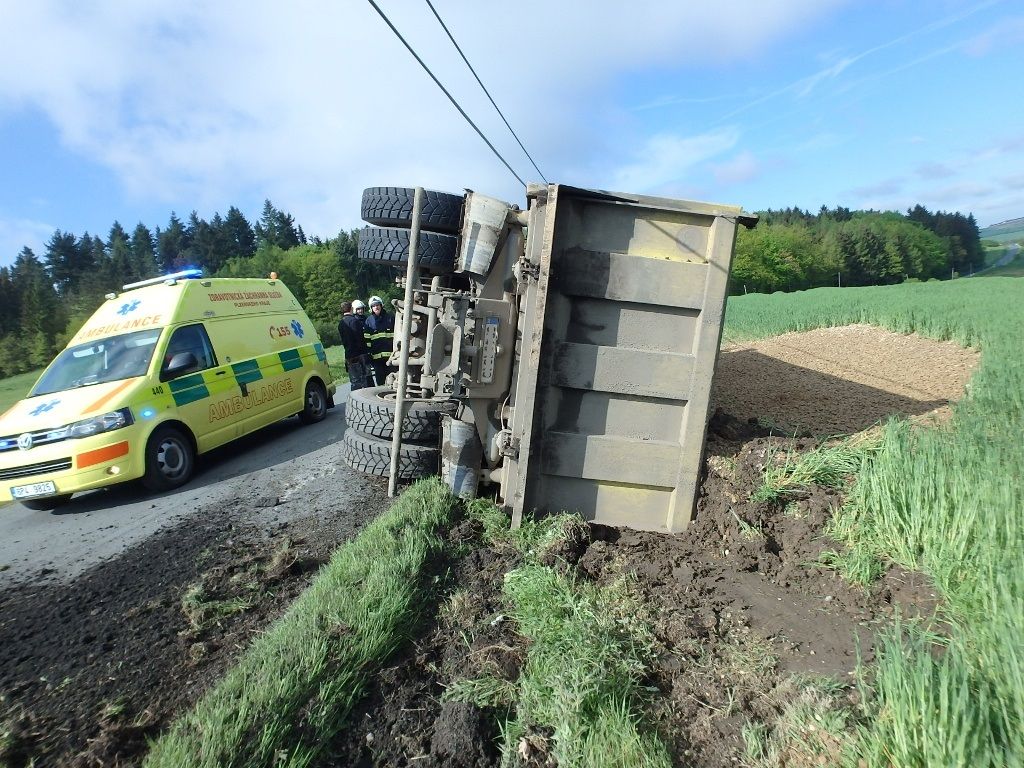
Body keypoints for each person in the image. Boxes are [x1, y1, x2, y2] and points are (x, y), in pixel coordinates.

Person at [337, 300, 373, 390]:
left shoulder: (341, 324)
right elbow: (360, 338)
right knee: (365, 379)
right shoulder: (355, 321)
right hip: (359, 354)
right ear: (351, 309)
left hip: (349, 355)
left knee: (354, 381)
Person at [363, 295, 396, 386]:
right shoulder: (368, 321)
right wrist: (369, 353)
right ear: (371, 308)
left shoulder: (390, 318)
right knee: (380, 381)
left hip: (391, 356)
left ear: (381, 305)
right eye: (373, 306)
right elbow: (367, 339)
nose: (376, 307)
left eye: (377, 305)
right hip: (377, 358)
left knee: (393, 379)